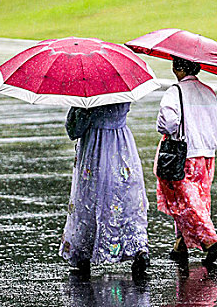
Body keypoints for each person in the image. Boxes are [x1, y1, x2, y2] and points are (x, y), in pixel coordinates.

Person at [59, 102, 150, 277]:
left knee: (90, 198)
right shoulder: (120, 92)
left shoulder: (87, 98)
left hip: (94, 148)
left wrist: (78, 110)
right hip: (122, 144)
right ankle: (138, 247)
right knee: (124, 195)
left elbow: (74, 130)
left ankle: (83, 252)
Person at [155, 56, 217, 265]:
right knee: (199, 198)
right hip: (206, 153)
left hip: (184, 153)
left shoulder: (174, 92)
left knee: (185, 199)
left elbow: (167, 123)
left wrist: (161, 126)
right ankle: (181, 242)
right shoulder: (209, 92)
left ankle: (210, 241)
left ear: (177, 68)